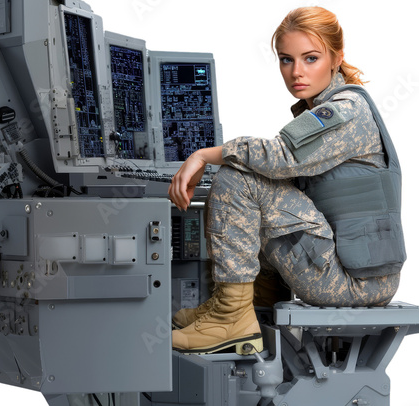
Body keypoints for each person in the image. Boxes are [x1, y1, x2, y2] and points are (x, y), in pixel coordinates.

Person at [168, 6, 406, 355]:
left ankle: (231, 316)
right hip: (356, 272)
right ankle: (254, 302)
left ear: (336, 58)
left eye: (311, 58)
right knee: (260, 182)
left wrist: (204, 155)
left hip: (355, 283)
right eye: (286, 59)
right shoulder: (327, 107)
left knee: (239, 178)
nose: (296, 72)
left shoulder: (345, 109)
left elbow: (282, 156)